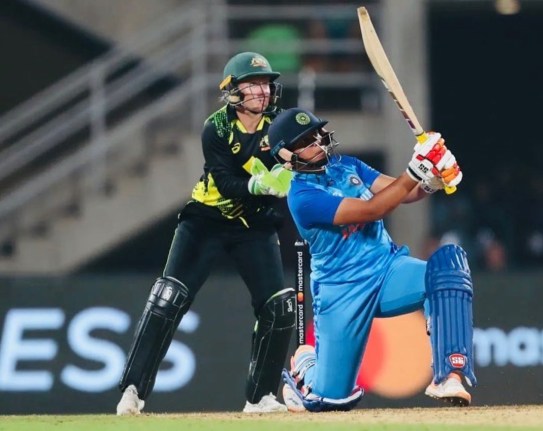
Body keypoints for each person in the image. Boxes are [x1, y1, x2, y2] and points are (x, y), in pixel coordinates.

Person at [116, 52, 296, 415]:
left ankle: (260, 397)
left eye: (265, 84)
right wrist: (259, 185)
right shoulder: (216, 127)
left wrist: (291, 168)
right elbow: (225, 182)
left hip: (254, 224)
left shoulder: (279, 124)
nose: (263, 91)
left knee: (278, 306)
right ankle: (133, 391)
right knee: (168, 298)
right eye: (253, 84)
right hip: (206, 220)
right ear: (234, 90)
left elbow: (307, 155)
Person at [268, 107, 477, 412]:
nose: (317, 142)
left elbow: (404, 193)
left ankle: (449, 375)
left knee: (449, 267)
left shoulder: (347, 165)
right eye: (305, 141)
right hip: (342, 291)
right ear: (286, 155)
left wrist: (434, 179)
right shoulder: (302, 197)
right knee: (332, 400)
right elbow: (372, 210)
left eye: (316, 134)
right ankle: (306, 369)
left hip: (388, 269)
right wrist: (416, 169)